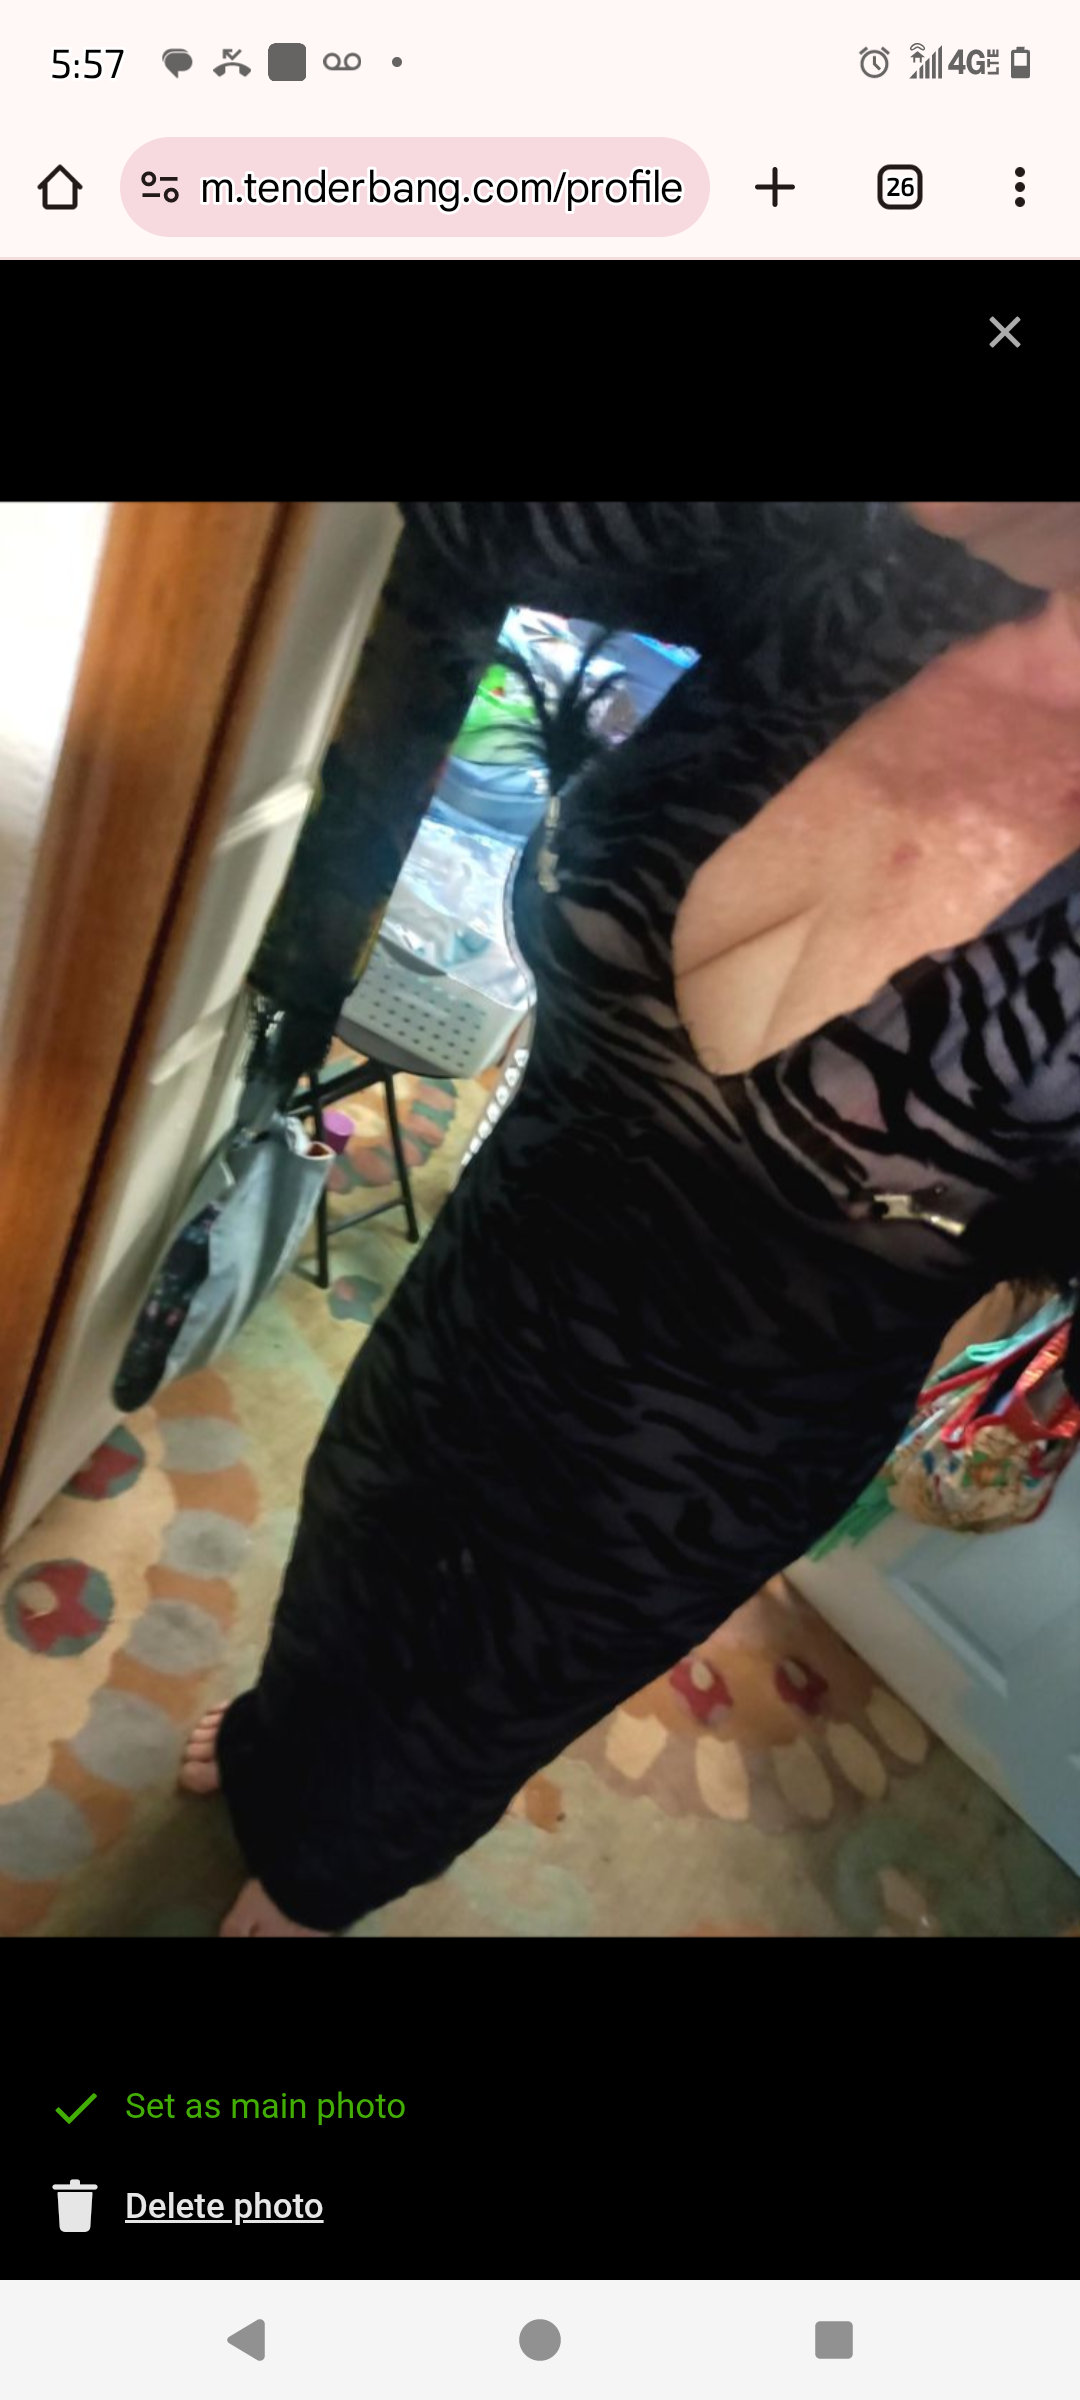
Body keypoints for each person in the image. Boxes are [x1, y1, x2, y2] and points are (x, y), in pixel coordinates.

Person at [180, 501, 1080, 1935]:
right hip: (487, 1275)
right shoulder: (851, 556)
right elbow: (473, 526)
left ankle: (308, 1886)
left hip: (690, 1469)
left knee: (461, 1715)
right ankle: (280, 1740)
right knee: (345, 1542)